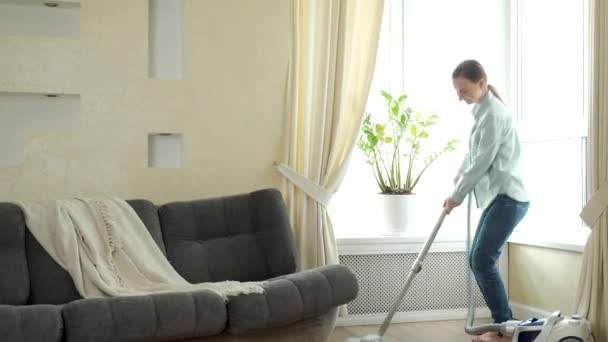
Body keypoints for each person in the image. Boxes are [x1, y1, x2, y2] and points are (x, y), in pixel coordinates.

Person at [443, 60, 530, 341]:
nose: (460, 96)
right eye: (457, 91)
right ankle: (502, 325)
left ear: (482, 83)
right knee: (477, 258)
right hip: (499, 198)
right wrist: (460, 172)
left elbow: (482, 161)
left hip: (510, 198)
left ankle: (503, 327)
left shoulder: (493, 114)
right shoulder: (482, 112)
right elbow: (475, 153)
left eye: (464, 90)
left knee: (482, 258)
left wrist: (456, 197)